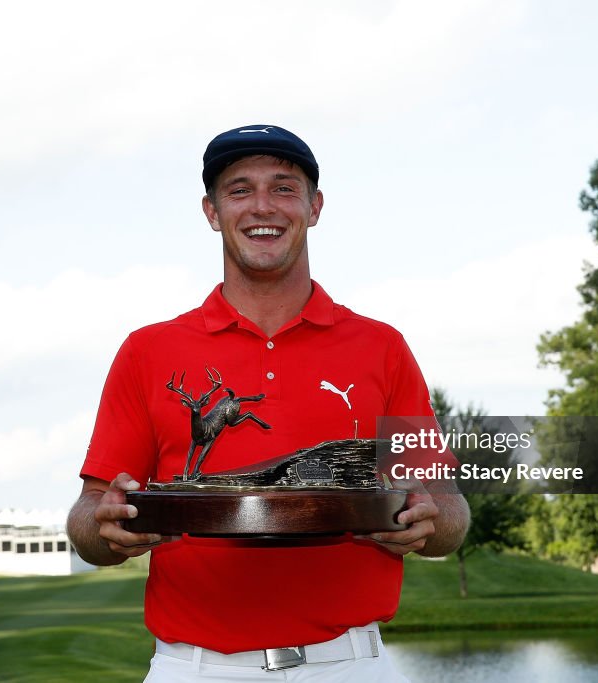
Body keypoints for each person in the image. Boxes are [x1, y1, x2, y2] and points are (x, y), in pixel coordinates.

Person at [67, 124, 469, 682]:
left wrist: (430, 521)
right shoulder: (147, 350)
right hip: (197, 669)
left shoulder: (382, 346)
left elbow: (449, 508)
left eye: (284, 187)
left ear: (315, 206)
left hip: (352, 665)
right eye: (239, 189)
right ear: (211, 211)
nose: (263, 206)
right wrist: (105, 528)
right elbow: (87, 519)